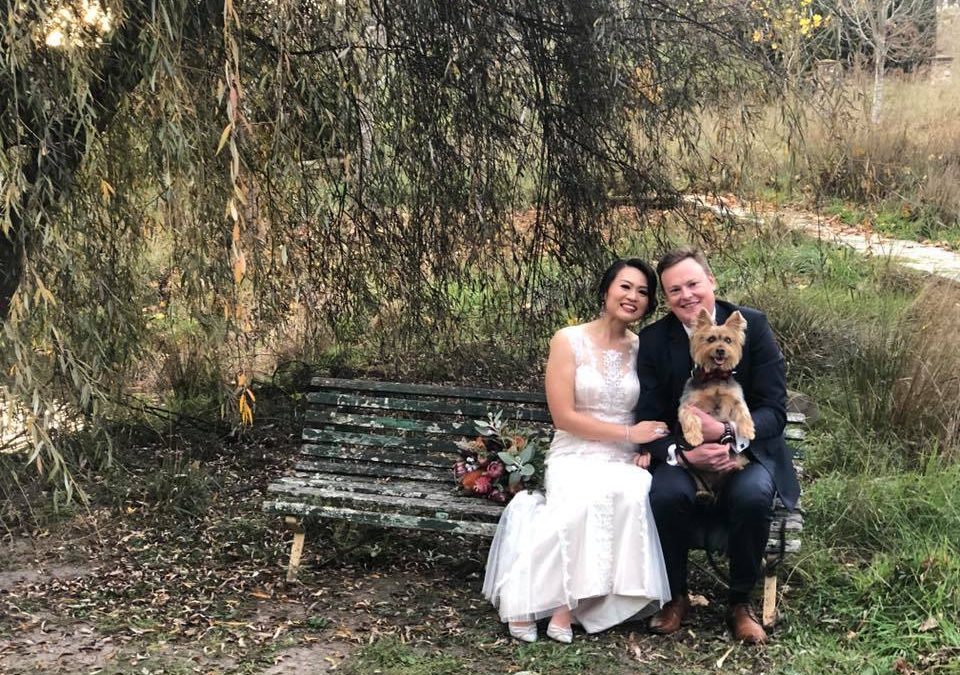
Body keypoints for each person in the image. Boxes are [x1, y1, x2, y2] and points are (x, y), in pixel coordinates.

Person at [482, 259, 672, 643]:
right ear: (606, 291)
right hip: (575, 451)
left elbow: (656, 405)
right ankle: (526, 601)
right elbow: (563, 416)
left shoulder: (643, 347)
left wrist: (647, 445)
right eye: (625, 286)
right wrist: (627, 430)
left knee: (631, 490)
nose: (632, 297)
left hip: (621, 455)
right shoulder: (568, 339)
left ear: (650, 304)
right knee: (586, 499)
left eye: (643, 292)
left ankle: (563, 611)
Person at [634, 247, 800, 644]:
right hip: (685, 453)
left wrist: (726, 437)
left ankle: (739, 601)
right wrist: (683, 452)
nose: (686, 295)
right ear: (666, 297)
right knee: (666, 493)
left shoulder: (752, 327)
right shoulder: (655, 340)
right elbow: (650, 413)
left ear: (711, 281)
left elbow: (774, 409)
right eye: (674, 290)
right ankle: (675, 597)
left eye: (693, 283)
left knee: (754, 495)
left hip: (745, 451)